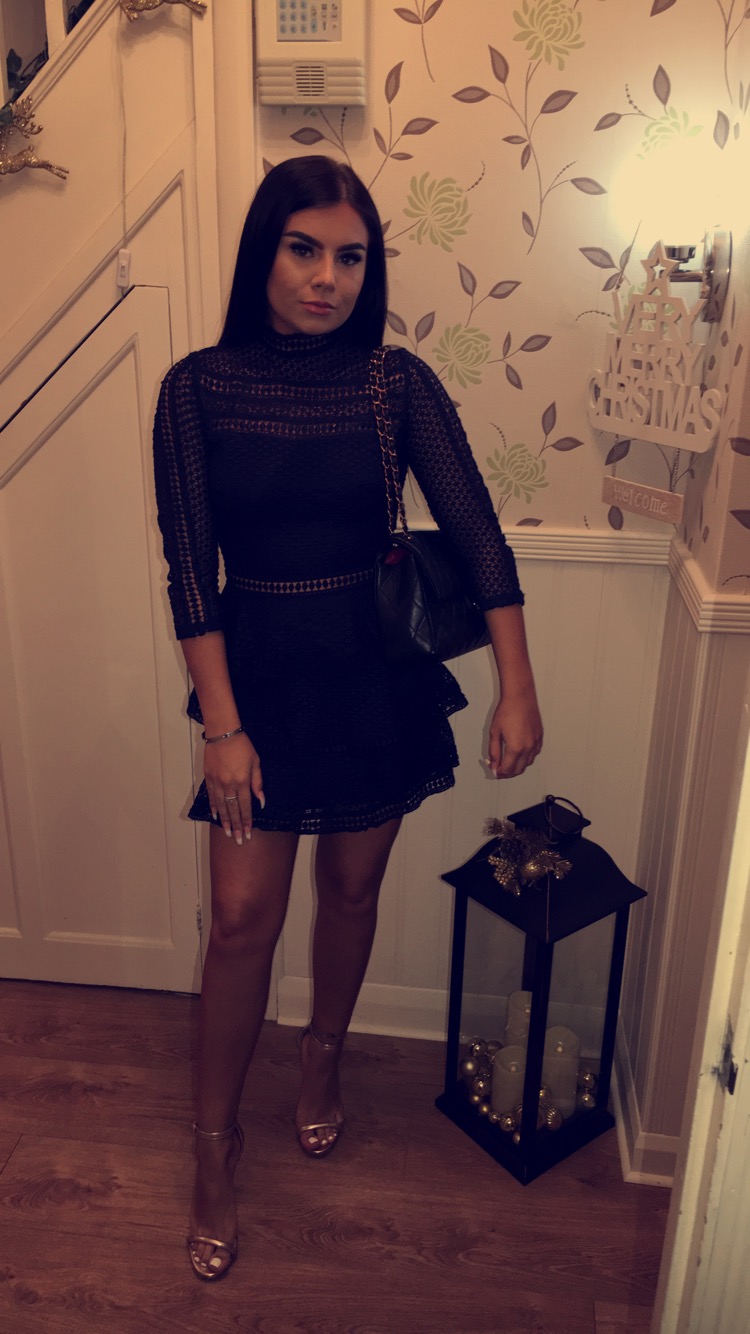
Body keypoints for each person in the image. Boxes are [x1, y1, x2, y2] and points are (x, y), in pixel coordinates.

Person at [152, 154, 543, 1281]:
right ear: (264, 254)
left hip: (374, 673)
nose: (327, 277)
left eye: (351, 257)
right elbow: (191, 573)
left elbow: (478, 535)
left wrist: (518, 684)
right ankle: (214, 1145)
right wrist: (222, 727)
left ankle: (322, 1056)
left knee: (354, 890)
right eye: (304, 250)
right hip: (259, 680)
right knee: (240, 920)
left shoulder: (395, 383)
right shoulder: (196, 388)